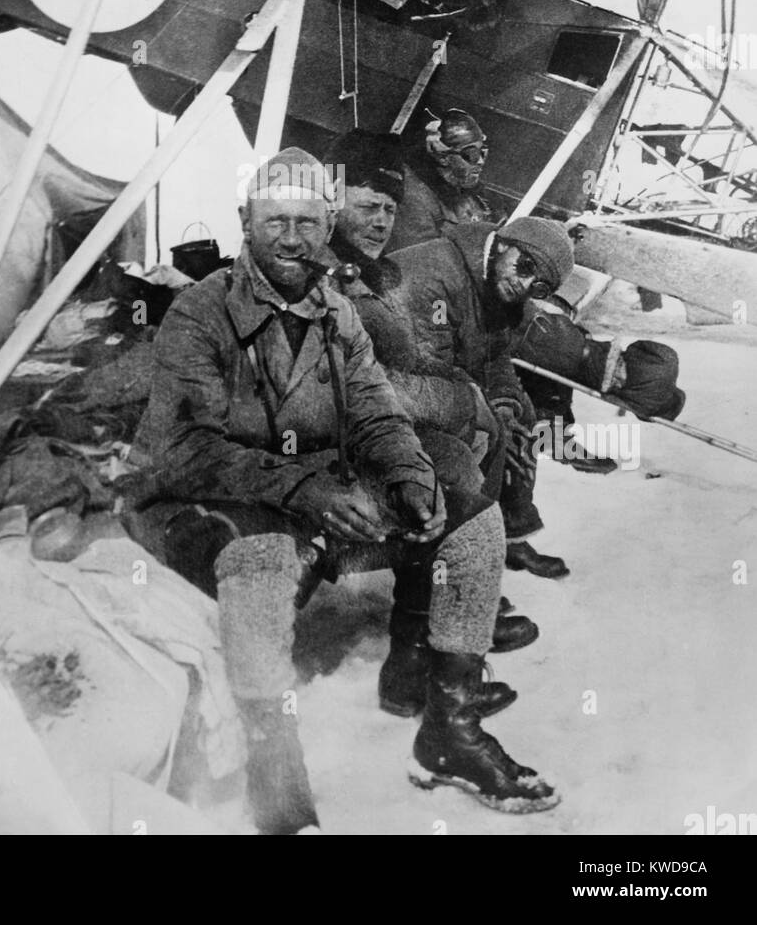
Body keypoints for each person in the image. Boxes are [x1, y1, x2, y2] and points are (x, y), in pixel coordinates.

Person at [130, 148, 558, 832]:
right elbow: (184, 453)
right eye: (275, 222)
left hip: (310, 485)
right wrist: (310, 491)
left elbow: (375, 413)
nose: (293, 238)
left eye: (307, 221)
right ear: (246, 221)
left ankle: (449, 731)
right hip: (202, 498)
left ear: (326, 224)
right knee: (263, 564)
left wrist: (409, 476)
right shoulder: (199, 314)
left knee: (472, 526)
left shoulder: (337, 313)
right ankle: (279, 789)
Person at [321, 130, 541, 718]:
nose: (382, 223)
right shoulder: (324, 273)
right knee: (447, 465)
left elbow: (410, 368)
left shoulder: (371, 275)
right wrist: (465, 403)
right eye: (368, 206)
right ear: (327, 197)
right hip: (311, 450)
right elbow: (355, 383)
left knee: (462, 450)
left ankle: (422, 653)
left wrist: (485, 405)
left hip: (356, 433)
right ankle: (421, 655)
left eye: (391, 210)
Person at [390, 215, 577, 582]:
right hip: (388, 391)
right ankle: (456, 577)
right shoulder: (437, 274)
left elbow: (495, 357)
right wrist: (489, 411)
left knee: (521, 416)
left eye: (538, 286)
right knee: (480, 438)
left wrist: (506, 402)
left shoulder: (496, 284)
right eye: (524, 266)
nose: (524, 284)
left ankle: (508, 532)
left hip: (438, 384)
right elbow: (429, 367)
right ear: (504, 244)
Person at [513, 299, 685, 466]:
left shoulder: (576, 350)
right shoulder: (561, 351)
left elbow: (552, 402)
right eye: (627, 404)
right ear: (620, 385)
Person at [387, 107, 491, 253]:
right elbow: (418, 260)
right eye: (471, 154)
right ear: (443, 157)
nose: (480, 161)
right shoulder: (415, 200)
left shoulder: (465, 188)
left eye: (483, 152)